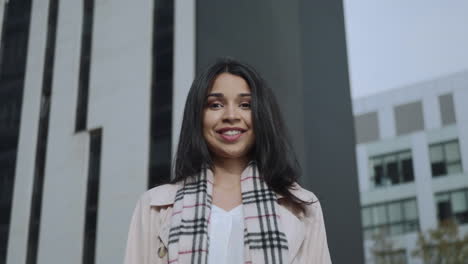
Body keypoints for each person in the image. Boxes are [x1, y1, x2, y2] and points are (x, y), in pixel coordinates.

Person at [124, 58, 331, 264]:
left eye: (245, 105)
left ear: (261, 114)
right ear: (197, 116)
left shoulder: (303, 206)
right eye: (215, 105)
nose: (231, 115)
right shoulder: (154, 206)